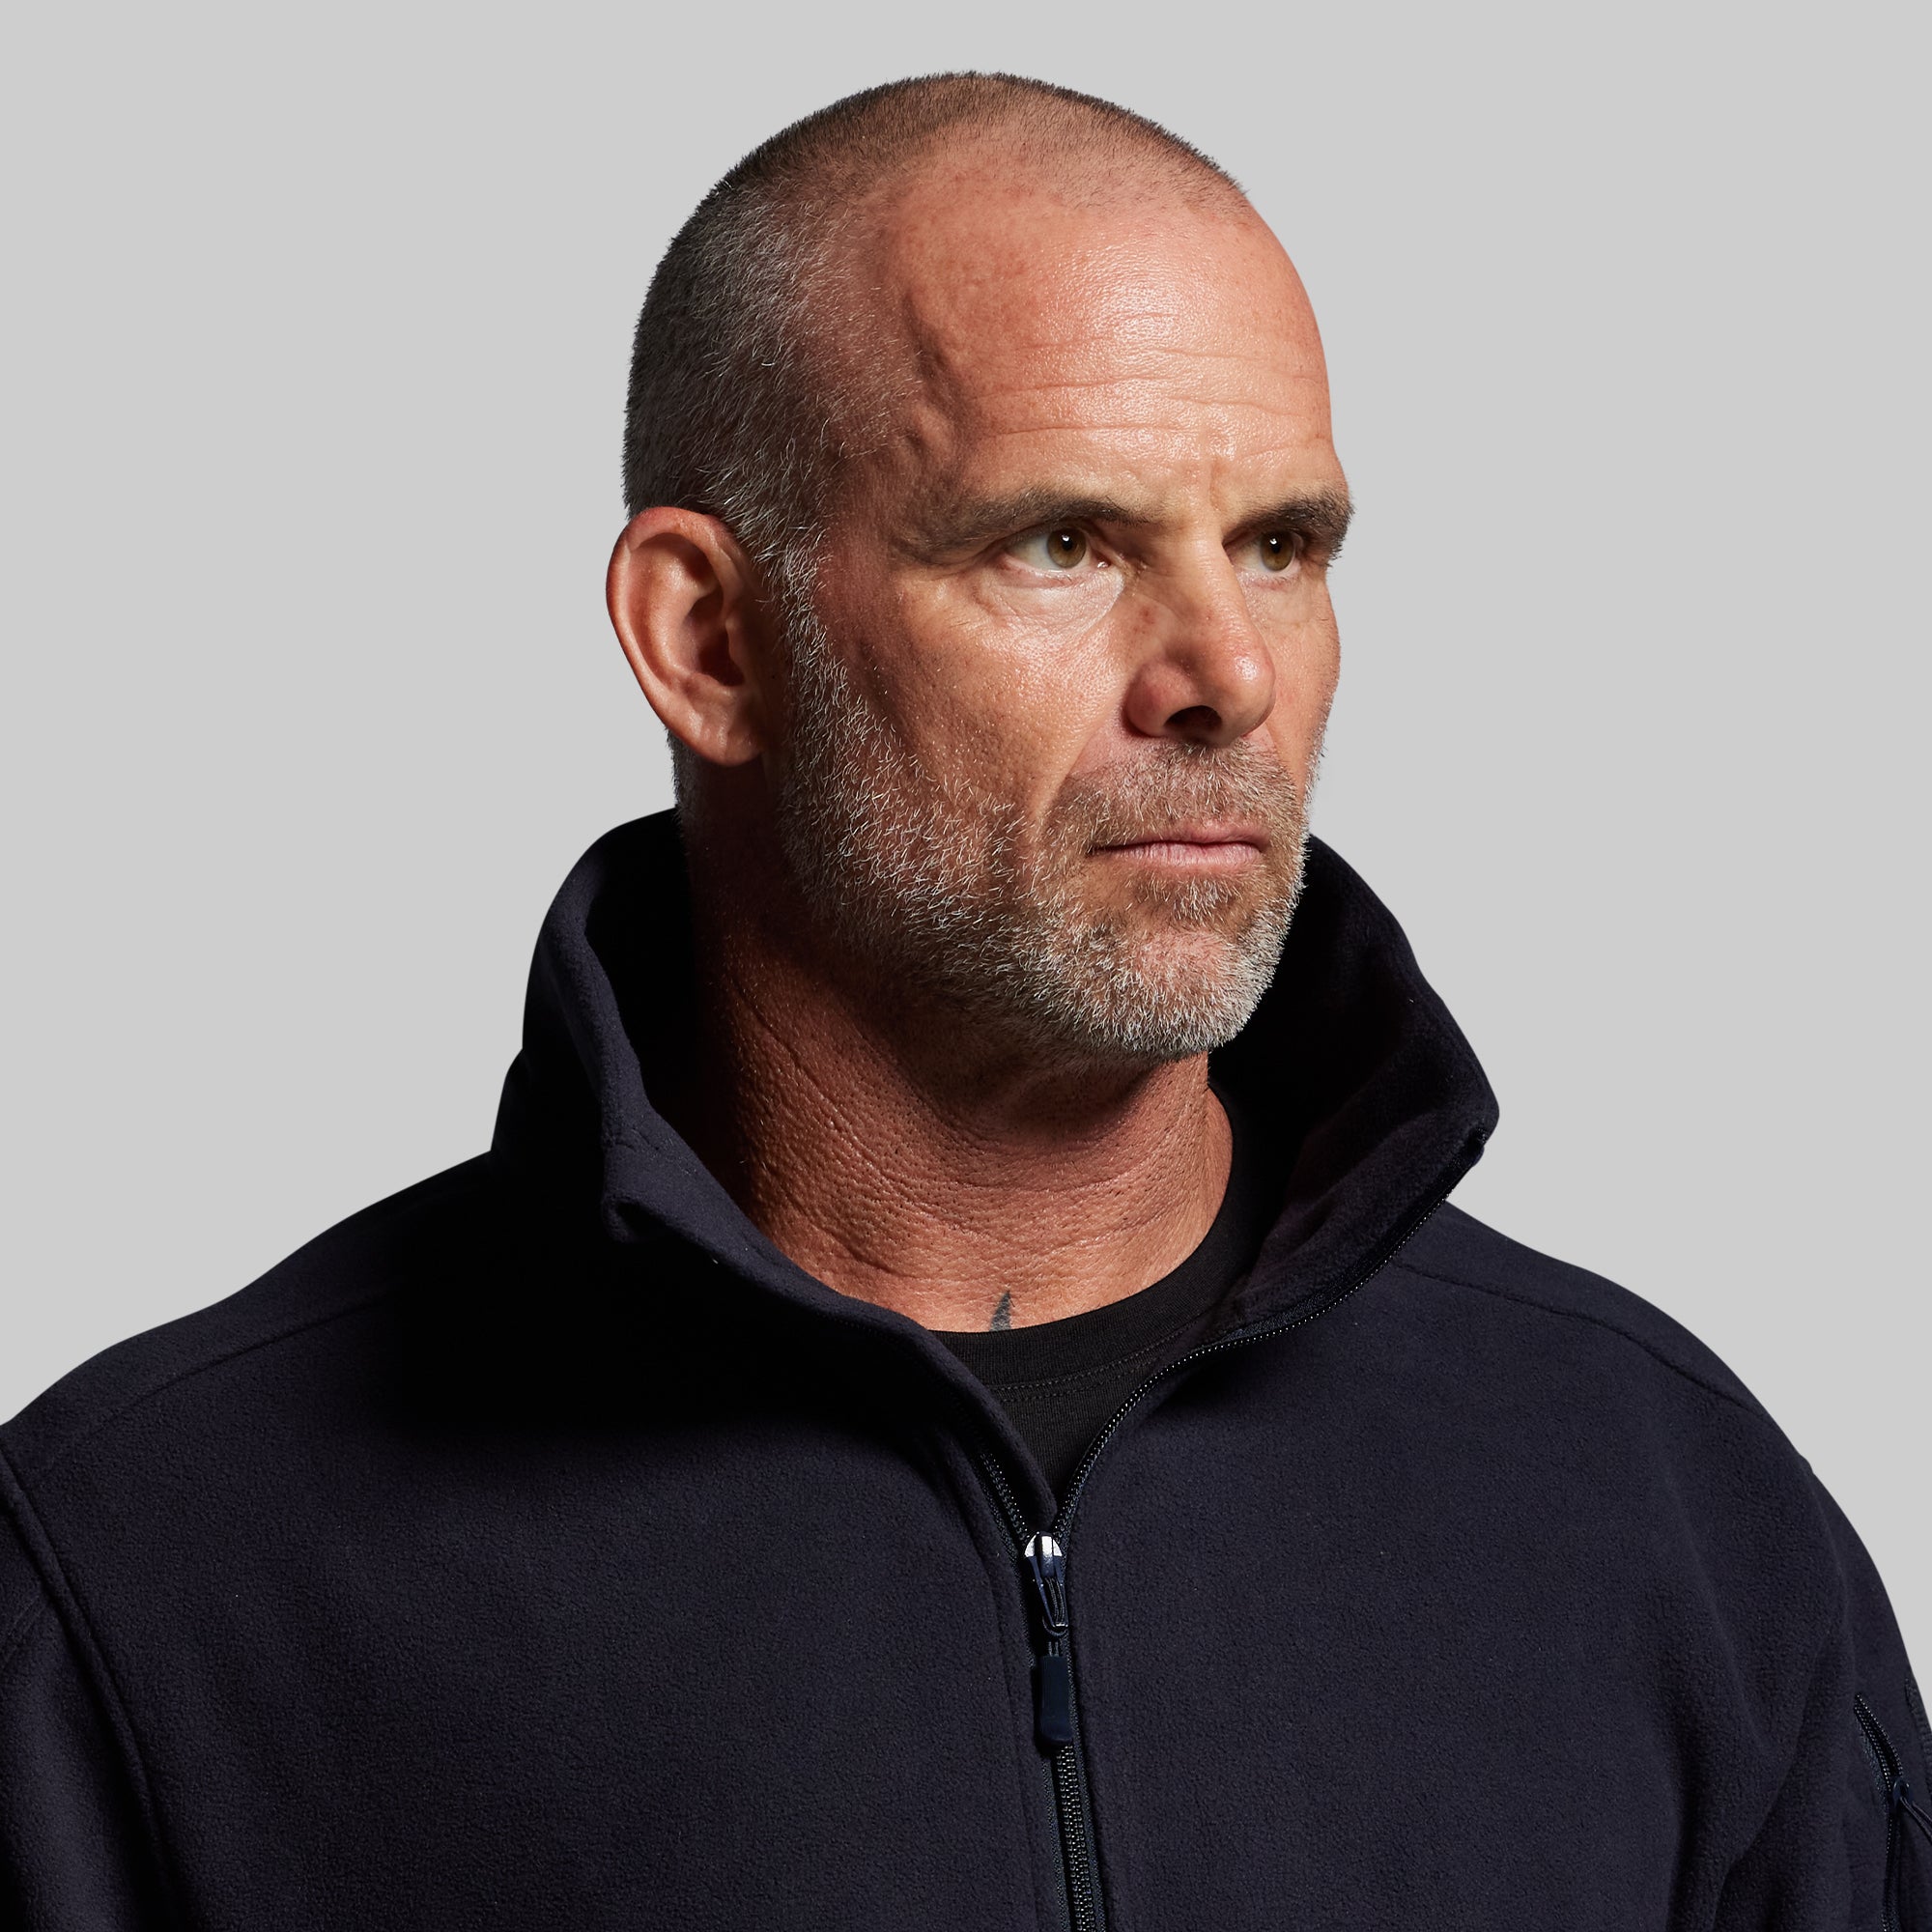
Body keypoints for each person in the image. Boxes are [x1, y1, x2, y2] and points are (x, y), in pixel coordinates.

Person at [1, 71, 1925, 1929]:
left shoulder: (1667, 1515)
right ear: (708, 638)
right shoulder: (160, 1564)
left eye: (1281, 545)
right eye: (1063, 543)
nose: (1227, 677)